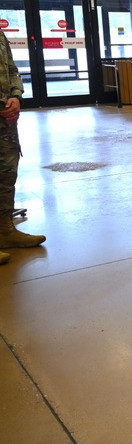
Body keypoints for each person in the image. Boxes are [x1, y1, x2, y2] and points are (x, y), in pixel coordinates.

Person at [0, 27, 45, 265]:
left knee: (7, 173)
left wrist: (16, 96)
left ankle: (5, 230)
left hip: (5, 118)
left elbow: (11, 67)